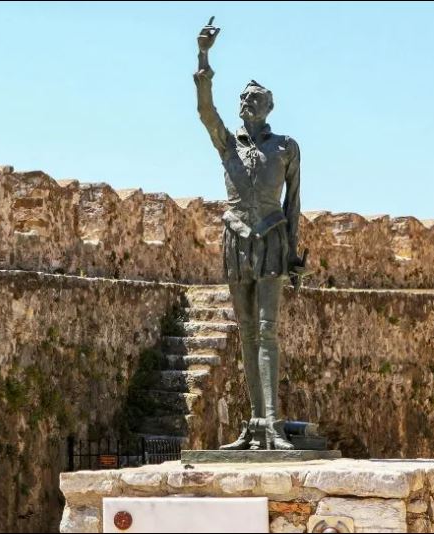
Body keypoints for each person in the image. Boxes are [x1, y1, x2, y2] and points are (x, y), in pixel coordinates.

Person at [193, 17, 304, 450]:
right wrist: (203, 55)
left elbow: (293, 202)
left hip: (272, 237)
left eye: (252, 99)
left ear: (267, 107)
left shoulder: (285, 147)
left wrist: (293, 253)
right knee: (244, 329)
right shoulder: (228, 144)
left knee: (267, 329)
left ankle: (272, 422)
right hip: (236, 238)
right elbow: (205, 111)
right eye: (242, 98)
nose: (245, 103)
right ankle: (256, 422)